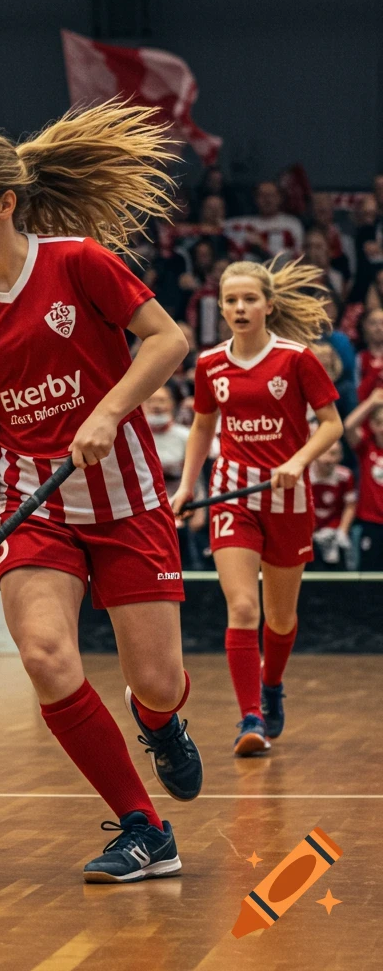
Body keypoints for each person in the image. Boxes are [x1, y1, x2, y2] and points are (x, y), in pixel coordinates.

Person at [0, 101, 201, 883]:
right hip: (33, 505)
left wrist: (110, 410)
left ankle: (163, 723)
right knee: (46, 656)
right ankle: (143, 825)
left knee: (153, 681)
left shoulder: (79, 261)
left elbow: (168, 338)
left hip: (127, 499)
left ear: (4, 203)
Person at [173, 258, 342, 757]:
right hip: (233, 498)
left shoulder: (296, 359)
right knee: (243, 606)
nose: (240, 308)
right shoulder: (209, 364)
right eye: (231, 301)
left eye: (249, 299)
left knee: (282, 618)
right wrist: (187, 487)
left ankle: (271, 685)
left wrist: (297, 461)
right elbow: (203, 427)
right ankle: (251, 718)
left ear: (269, 304)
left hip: (289, 500)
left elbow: (330, 424)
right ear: (221, 307)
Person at [143, 385, 205, 570]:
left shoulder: (186, 436)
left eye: (162, 400)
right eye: (152, 401)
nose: (157, 406)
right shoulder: (133, 437)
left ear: (172, 404)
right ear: (143, 405)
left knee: (187, 565)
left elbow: (198, 476)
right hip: (145, 512)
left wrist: (199, 510)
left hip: (181, 512)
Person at [344, 388, 383, 570]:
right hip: (371, 522)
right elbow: (349, 426)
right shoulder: (366, 448)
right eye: (379, 423)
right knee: (370, 577)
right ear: (372, 425)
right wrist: (371, 402)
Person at [309, 440, 356, 569]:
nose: (330, 460)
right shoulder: (304, 474)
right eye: (327, 454)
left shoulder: (345, 476)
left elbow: (350, 505)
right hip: (308, 533)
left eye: (335, 454)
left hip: (333, 533)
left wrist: (342, 531)